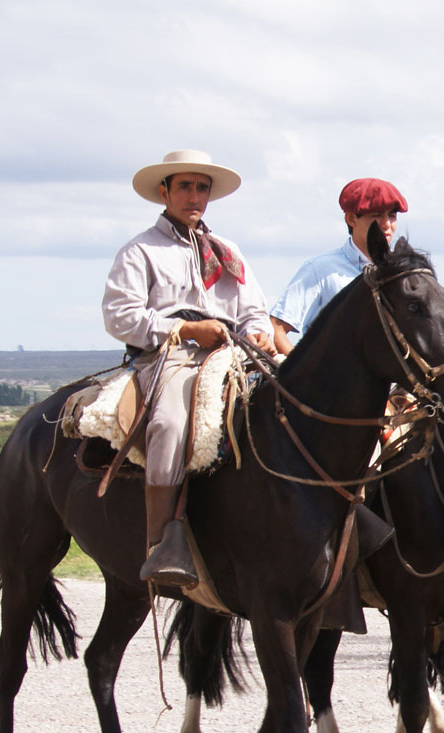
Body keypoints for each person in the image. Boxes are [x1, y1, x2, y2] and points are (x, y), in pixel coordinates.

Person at [102, 149, 274, 588]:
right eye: (185, 186)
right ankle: (163, 541)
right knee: (171, 423)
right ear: (165, 192)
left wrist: (258, 334)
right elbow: (120, 316)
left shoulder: (228, 252)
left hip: (235, 353)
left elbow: (254, 309)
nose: (194, 196)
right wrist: (186, 329)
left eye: (202, 187)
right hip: (170, 357)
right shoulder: (141, 250)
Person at [269, 178, 410, 354]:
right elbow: (275, 329)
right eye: (376, 215)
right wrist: (306, 376)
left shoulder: (404, 274)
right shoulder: (320, 269)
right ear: (352, 219)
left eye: (392, 215)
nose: (387, 224)